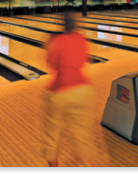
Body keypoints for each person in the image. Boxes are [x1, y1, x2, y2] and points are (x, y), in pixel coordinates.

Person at [41, 9, 100, 167]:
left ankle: (53, 166)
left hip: (60, 91)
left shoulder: (57, 41)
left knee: (52, 132)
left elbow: (52, 66)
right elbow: (82, 62)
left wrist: (49, 45)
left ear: (62, 23)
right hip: (83, 89)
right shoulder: (82, 39)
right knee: (84, 135)